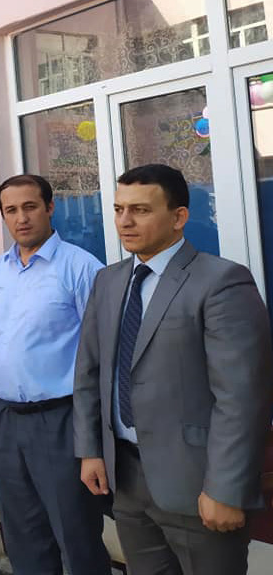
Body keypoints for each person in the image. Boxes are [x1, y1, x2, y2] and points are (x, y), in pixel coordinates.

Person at [74, 164, 273, 575]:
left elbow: (241, 396)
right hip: (126, 480)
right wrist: (91, 450)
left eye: (141, 210)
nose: (125, 222)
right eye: (119, 209)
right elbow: (90, 373)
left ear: (179, 217)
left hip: (197, 484)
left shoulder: (220, 282)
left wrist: (225, 488)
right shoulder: (109, 282)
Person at [0, 175, 110, 575]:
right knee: (22, 536)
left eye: (30, 207)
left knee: (76, 535)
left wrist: (93, 441)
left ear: (50, 208)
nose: (21, 218)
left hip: (59, 420)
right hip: (3, 420)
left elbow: (102, 356)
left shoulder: (81, 268)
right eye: (11, 210)